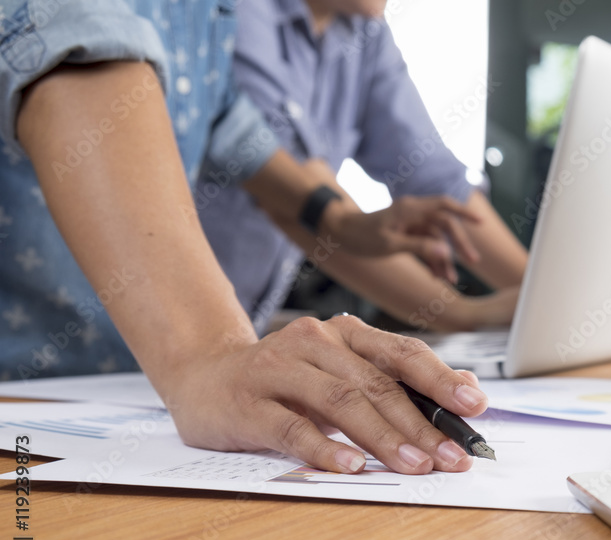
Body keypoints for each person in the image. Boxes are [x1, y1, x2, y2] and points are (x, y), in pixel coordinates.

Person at [0, 0, 489, 475]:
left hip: (131, 399)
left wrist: (342, 223)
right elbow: (75, 48)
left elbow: (234, 132)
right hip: (26, 400)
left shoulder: (214, 10)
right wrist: (208, 356)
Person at [196, 0, 527, 335]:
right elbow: (284, 184)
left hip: (228, 336)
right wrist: (465, 314)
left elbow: (433, 179)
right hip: (162, 339)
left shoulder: (363, 31)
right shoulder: (238, 10)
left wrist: (540, 297)